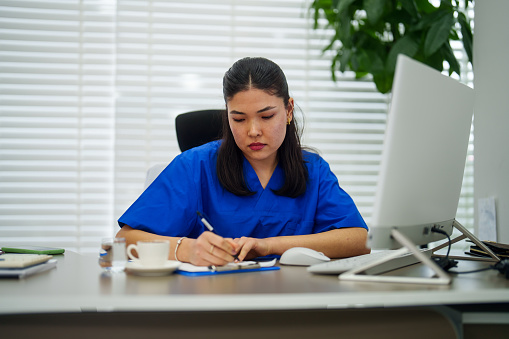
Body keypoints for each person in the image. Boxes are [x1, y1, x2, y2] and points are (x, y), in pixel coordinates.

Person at [117, 57, 370, 266]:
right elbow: (125, 239)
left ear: (289, 110)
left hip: (294, 305)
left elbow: (358, 240)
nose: (253, 131)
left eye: (267, 116)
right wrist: (185, 249)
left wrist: (268, 246)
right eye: (238, 119)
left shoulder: (313, 170)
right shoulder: (195, 166)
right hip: (212, 306)